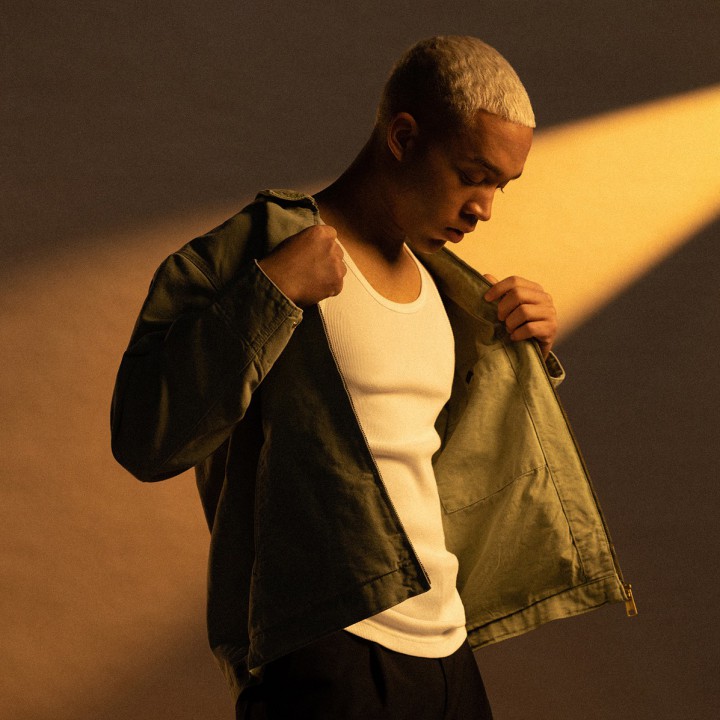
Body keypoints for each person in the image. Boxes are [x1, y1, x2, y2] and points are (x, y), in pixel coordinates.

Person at [111, 35, 634, 719]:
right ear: (404, 137)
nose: (484, 207)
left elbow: (437, 462)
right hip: (328, 650)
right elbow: (145, 437)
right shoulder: (265, 252)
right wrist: (269, 293)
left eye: (500, 186)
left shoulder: (450, 292)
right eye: (473, 175)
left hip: (448, 649)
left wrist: (518, 359)